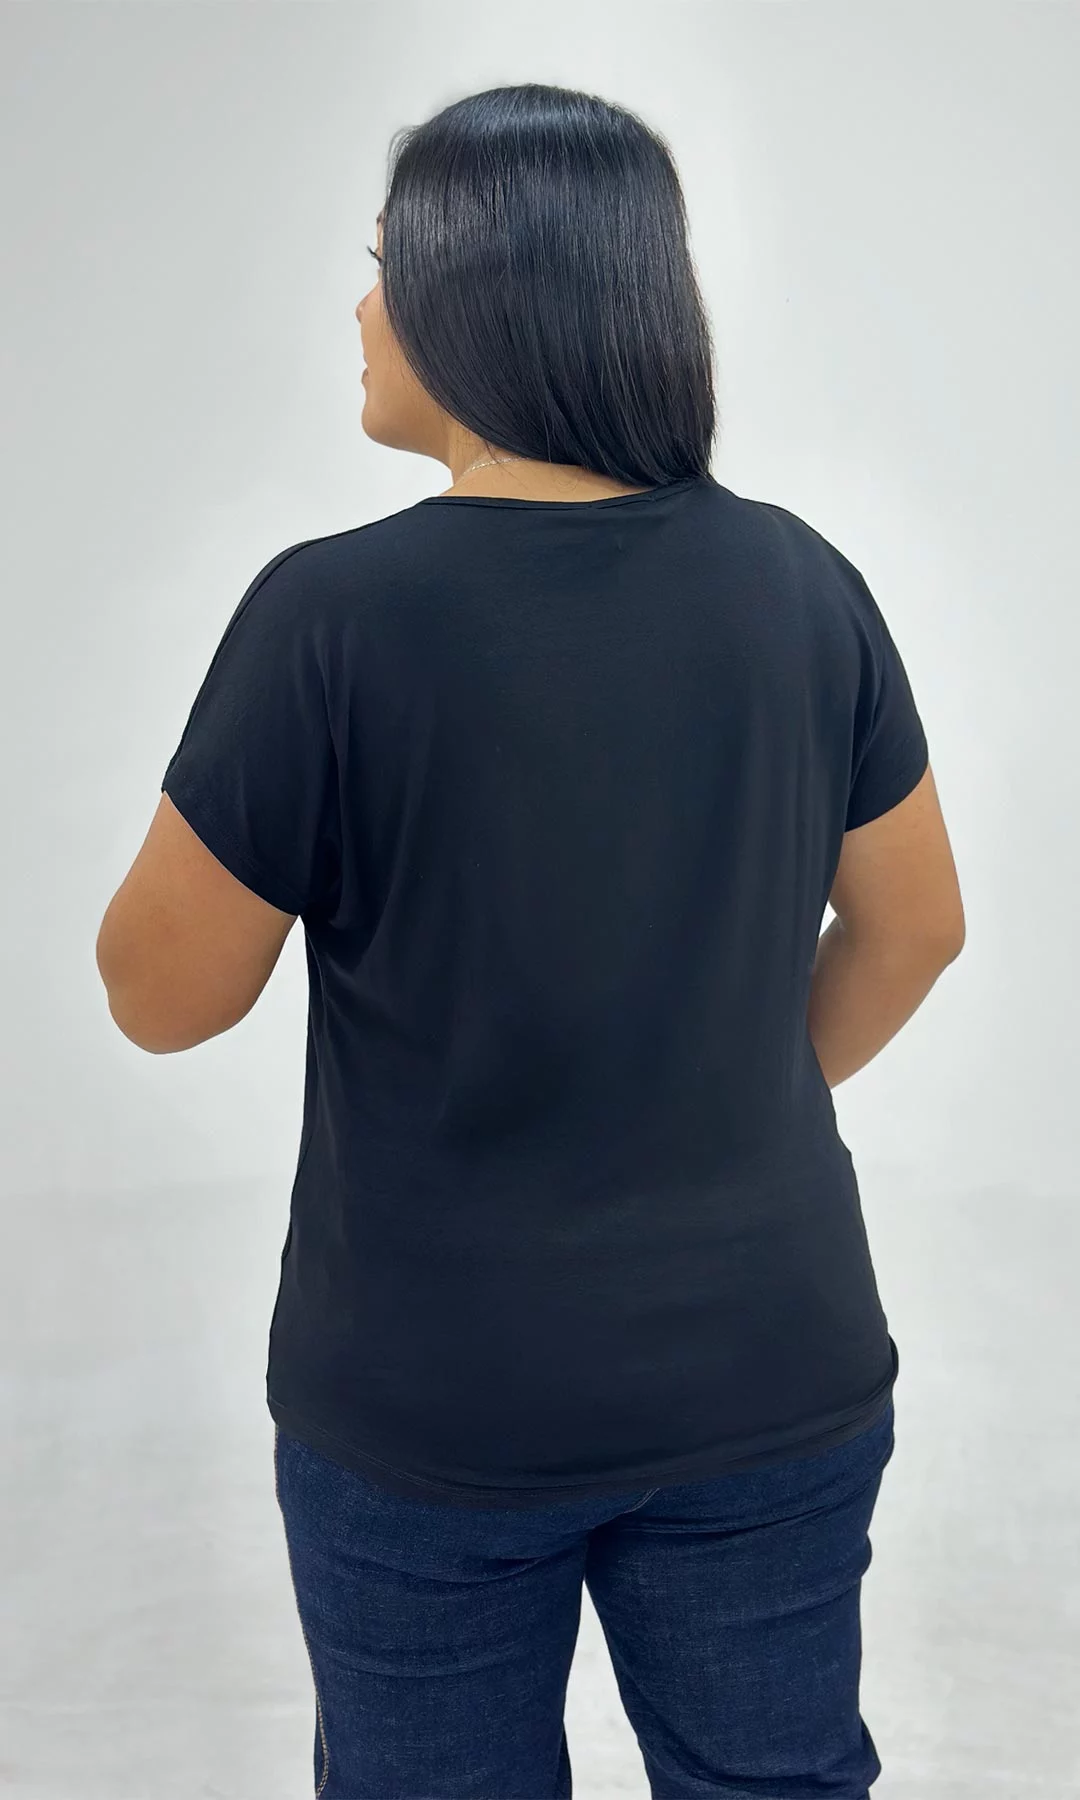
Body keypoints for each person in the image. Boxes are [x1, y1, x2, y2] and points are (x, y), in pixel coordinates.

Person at [96, 81, 965, 1800]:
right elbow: (918, 928)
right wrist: (727, 1082)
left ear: (475, 291)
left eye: (383, 265)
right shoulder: (803, 586)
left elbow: (160, 997)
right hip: (769, 1365)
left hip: (435, 1408)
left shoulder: (330, 617)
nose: (361, 309)